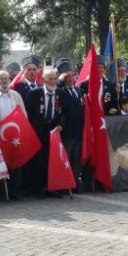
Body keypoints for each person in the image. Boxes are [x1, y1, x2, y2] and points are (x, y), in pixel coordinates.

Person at [0, 70, 26, 200]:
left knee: (16, 164)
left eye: (6, 79)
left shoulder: (16, 95)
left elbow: (24, 115)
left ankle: (16, 191)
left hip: (14, 137)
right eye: (1, 79)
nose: (4, 81)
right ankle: (1, 193)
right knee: (0, 165)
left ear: (9, 80)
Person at [25, 70, 65, 198]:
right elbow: (28, 113)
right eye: (50, 79)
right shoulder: (34, 93)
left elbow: (64, 112)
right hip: (38, 131)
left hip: (54, 131)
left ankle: (51, 187)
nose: (53, 81)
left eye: (55, 79)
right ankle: (39, 188)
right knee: (39, 162)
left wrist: (61, 125)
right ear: (43, 79)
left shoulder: (60, 93)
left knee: (52, 160)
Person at [56, 61, 85, 193]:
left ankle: (75, 183)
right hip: (67, 131)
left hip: (78, 130)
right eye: (68, 77)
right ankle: (65, 185)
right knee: (66, 159)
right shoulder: (60, 92)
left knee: (76, 159)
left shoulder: (79, 90)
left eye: (73, 76)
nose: (71, 79)